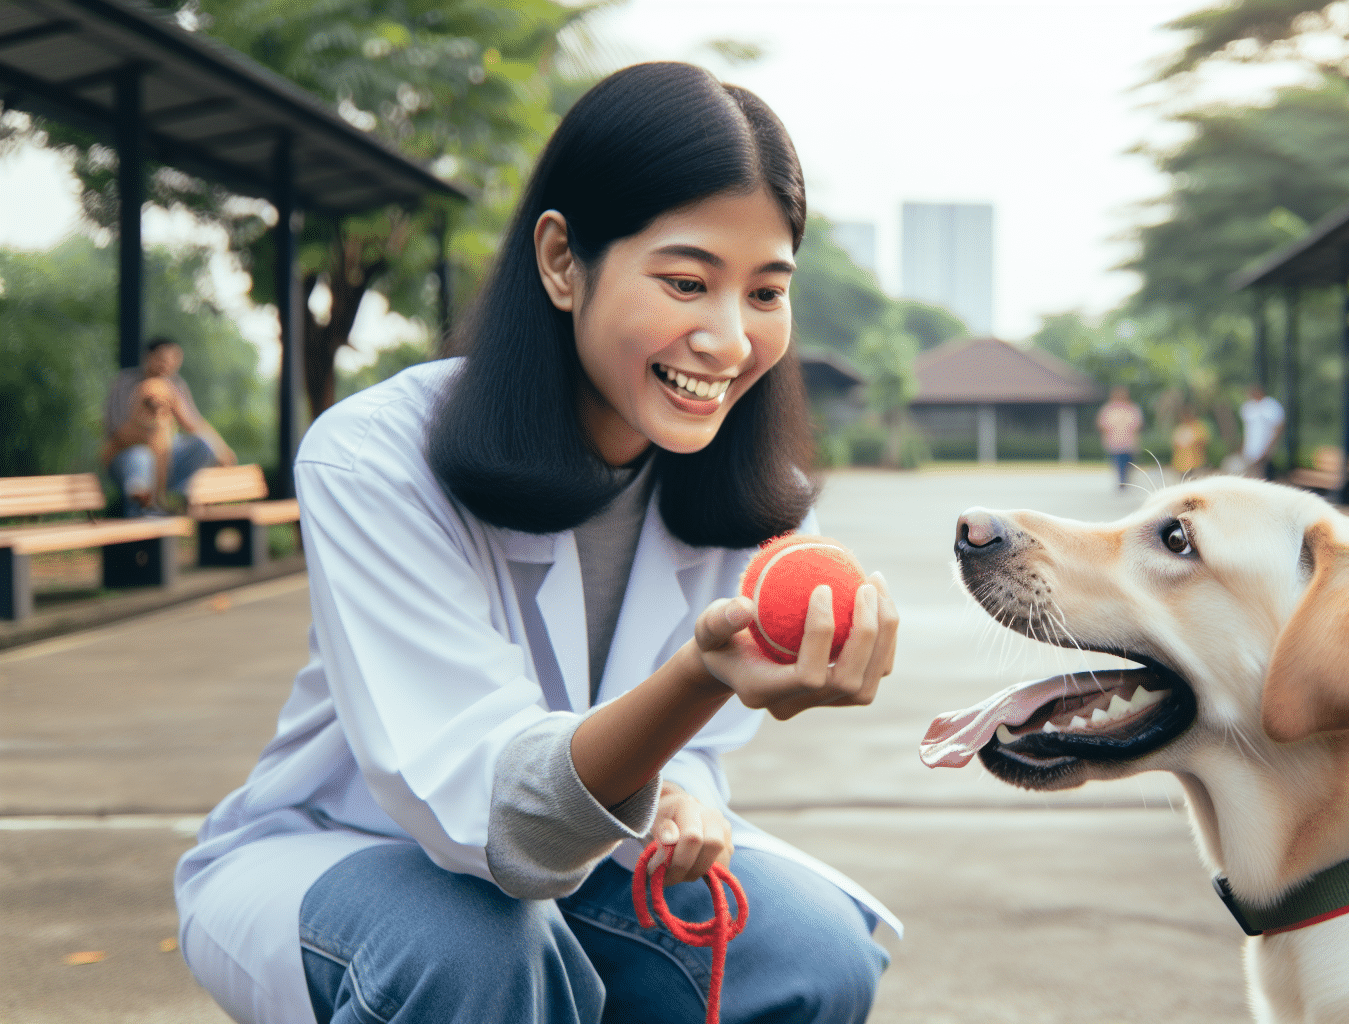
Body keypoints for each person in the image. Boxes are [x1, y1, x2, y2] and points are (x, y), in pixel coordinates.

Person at [174, 63, 901, 1024]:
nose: (728, 341)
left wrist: (685, 790)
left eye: (766, 292)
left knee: (810, 952)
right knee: (474, 954)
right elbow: (486, 811)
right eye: (687, 281)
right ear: (563, 261)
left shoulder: (764, 502)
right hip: (345, 849)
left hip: (591, 866)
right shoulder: (377, 457)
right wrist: (700, 674)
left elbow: (690, 758)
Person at [100, 337, 236, 515]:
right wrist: (150, 432)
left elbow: (194, 423)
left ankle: (182, 498)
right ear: (148, 357)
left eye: (174, 359)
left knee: (204, 445)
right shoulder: (125, 382)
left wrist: (223, 450)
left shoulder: (175, 384)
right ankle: (145, 512)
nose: (168, 364)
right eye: (162, 358)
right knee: (141, 457)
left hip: (167, 458)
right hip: (129, 456)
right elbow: (117, 433)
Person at [1096, 385, 1143, 490]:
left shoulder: (1131, 408)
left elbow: (1137, 425)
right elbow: (1102, 425)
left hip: (1128, 442)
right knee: (1119, 463)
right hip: (1115, 442)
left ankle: (1124, 480)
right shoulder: (1109, 409)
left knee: (1127, 463)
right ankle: (1122, 480)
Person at [1238, 383, 1284, 480]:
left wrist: (1269, 448)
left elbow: (1279, 428)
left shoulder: (1271, 405)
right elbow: (1246, 429)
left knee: (1264, 476)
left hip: (1265, 448)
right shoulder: (1248, 407)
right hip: (1250, 449)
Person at [1170, 408, 1209, 478]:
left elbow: (1203, 441)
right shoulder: (1180, 428)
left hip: (1195, 464)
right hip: (1182, 465)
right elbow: (1175, 444)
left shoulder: (1198, 427)